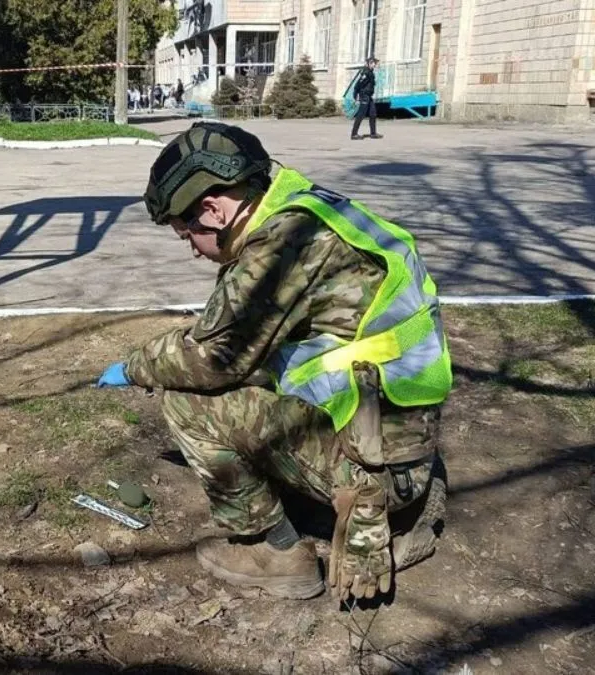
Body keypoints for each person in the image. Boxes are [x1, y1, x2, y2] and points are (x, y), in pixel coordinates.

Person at [95, 122, 450, 602]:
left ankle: (273, 551)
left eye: (187, 236)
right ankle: (401, 518)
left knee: (185, 398)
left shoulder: (281, 249)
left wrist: (135, 366)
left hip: (378, 468)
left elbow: (211, 359)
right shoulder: (312, 210)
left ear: (213, 210)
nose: (193, 251)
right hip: (407, 447)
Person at [351, 57, 381, 140]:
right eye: (374, 63)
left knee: (373, 113)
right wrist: (355, 94)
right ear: (370, 63)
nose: (375, 65)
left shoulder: (370, 72)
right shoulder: (366, 72)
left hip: (369, 96)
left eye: (375, 63)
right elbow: (358, 84)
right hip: (364, 95)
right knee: (361, 115)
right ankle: (354, 134)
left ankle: (373, 133)